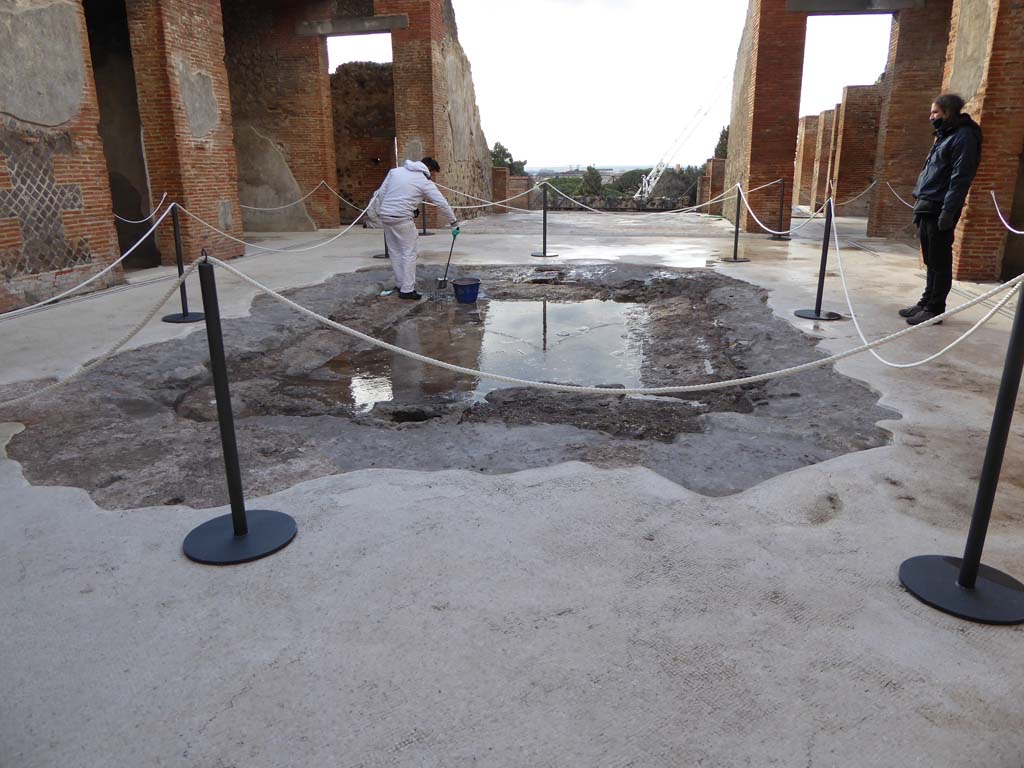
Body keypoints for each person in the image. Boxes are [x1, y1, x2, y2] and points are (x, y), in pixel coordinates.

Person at [900, 93, 982, 326]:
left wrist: (948, 211)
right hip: (928, 204)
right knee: (930, 258)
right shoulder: (945, 136)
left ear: (948, 113)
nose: (931, 117)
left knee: (940, 259)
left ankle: (936, 308)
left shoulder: (964, 137)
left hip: (940, 207)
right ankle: (926, 301)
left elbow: (960, 178)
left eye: (935, 113)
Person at [370, 157, 459, 300]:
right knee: (408, 253)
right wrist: (454, 222)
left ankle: (400, 284)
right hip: (402, 220)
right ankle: (407, 290)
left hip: (386, 216)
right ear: (429, 169)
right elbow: (442, 203)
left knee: (395, 252)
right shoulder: (424, 182)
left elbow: (381, 194)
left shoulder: (395, 172)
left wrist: (382, 212)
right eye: (432, 173)